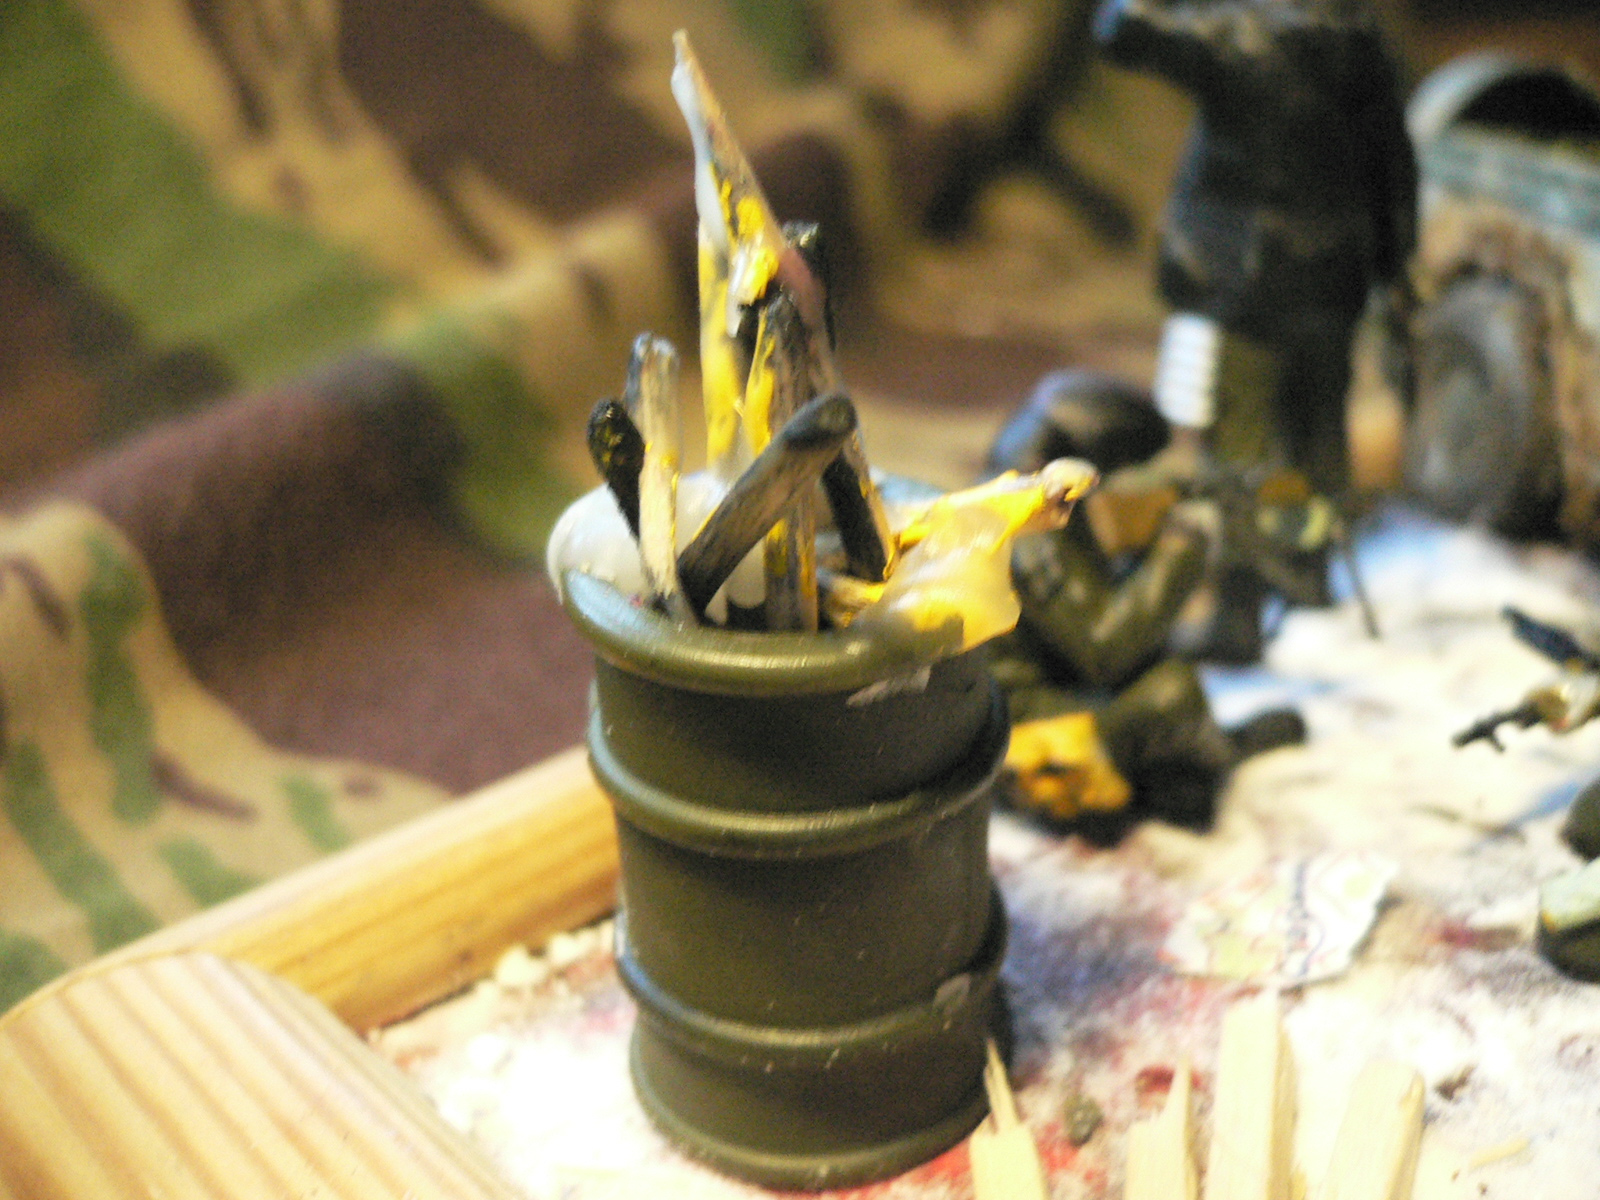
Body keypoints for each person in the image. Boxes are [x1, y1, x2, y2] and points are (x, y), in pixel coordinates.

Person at [1094, 0, 1416, 660]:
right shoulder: (1360, 44)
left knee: (1239, 444)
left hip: (1241, 279)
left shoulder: (1231, 35)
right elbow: (1393, 166)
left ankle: (1239, 605)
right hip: (1332, 274)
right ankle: (1307, 571)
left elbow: (1120, 30)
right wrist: (1389, 263)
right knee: (1317, 434)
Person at [988, 371, 1305, 835]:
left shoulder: (1029, 504)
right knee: (1172, 692)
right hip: (1031, 734)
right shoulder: (1028, 530)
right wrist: (1181, 546)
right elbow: (1104, 649)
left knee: (1161, 660)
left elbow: (1089, 613)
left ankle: (1191, 760)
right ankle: (1186, 772)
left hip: (1058, 689)